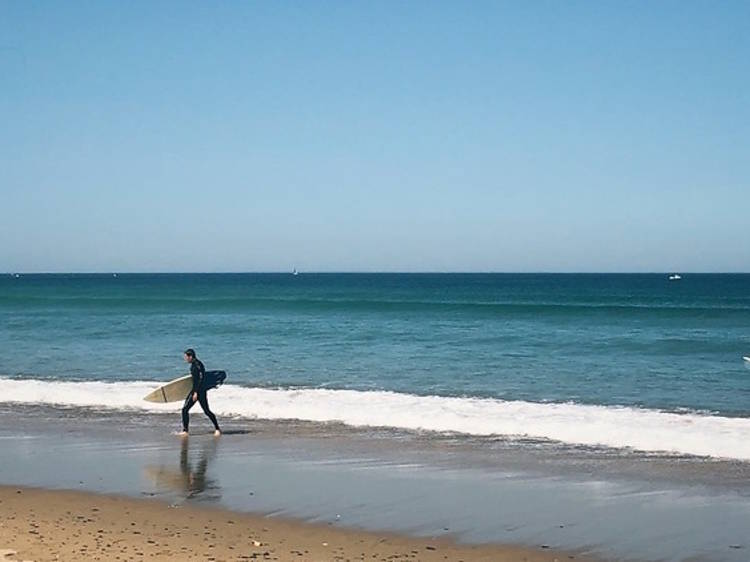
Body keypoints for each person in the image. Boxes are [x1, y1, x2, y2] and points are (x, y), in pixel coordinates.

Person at [179, 348, 221, 437]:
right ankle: (217, 429)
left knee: (187, 410)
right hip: (198, 391)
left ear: (190, 356)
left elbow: (201, 379)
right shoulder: (195, 364)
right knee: (189, 410)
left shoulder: (197, 365)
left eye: (186, 357)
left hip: (199, 392)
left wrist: (195, 392)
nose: (185, 359)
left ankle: (186, 431)